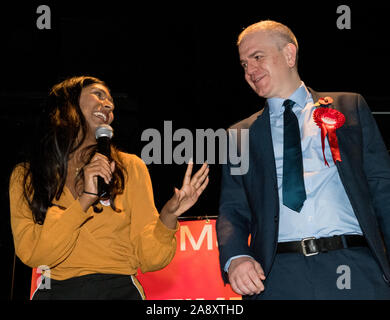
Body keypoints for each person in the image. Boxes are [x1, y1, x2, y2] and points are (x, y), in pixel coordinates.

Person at [216, 20, 390, 299]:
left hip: (355, 267)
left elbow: (383, 190)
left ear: (289, 54)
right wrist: (236, 257)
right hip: (278, 276)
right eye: (244, 64)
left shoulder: (349, 107)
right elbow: (233, 209)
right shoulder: (238, 135)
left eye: (257, 57)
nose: (250, 70)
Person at [9, 76, 209, 300]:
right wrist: (85, 199)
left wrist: (168, 217)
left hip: (119, 290)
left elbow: (150, 259)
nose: (109, 105)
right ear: (69, 105)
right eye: (99, 95)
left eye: (111, 101)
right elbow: (35, 254)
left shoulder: (129, 167)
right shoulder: (27, 176)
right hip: (55, 290)